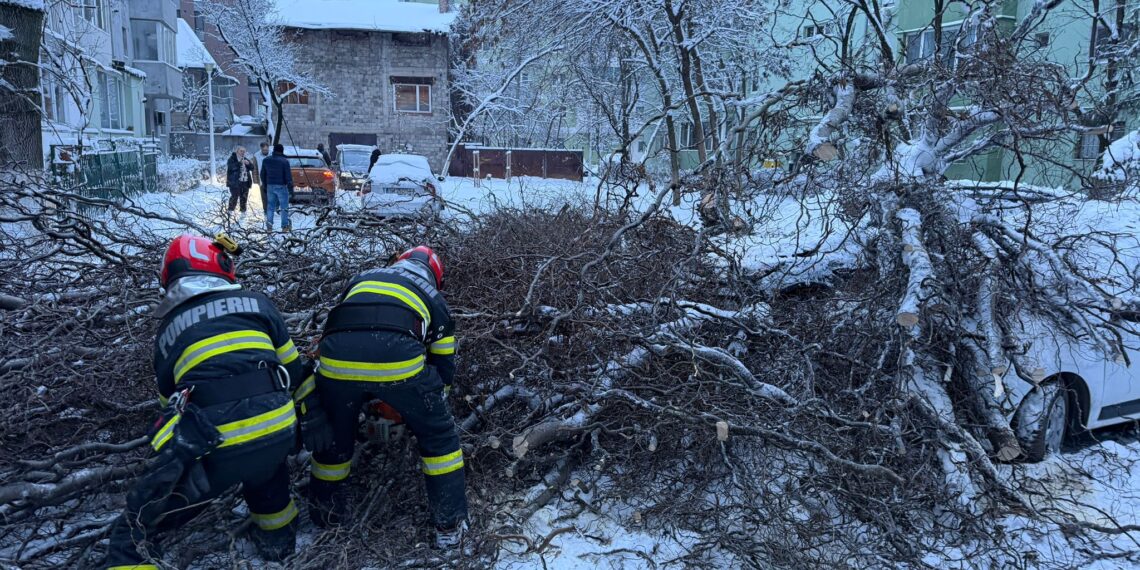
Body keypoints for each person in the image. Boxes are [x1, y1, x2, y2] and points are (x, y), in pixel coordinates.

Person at [102, 234, 331, 569]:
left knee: (135, 527)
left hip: (214, 443)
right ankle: (278, 544)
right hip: (279, 428)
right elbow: (294, 370)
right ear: (222, 267)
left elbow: (170, 407)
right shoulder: (258, 303)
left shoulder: (168, 330)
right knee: (265, 470)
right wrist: (314, 416)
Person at [306, 246, 467, 549]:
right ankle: (450, 525)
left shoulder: (362, 277)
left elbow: (346, 322)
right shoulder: (433, 297)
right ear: (436, 276)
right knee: (440, 439)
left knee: (334, 439)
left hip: (334, 359)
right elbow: (444, 365)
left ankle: (325, 520)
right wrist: (428, 405)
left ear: (399, 261)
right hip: (398, 359)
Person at [259, 143, 294, 232]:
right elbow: (288, 176)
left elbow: (262, 174)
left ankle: (269, 226)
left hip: (270, 186)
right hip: (281, 186)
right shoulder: (284, 161)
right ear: (282, 151)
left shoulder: (266, 160)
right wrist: (291, 189)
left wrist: (265, 185)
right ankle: (284, 226)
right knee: (284, 207)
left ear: (274, 150)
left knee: (270, 207)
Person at [225, 146, 255, 216]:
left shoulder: (245, 159)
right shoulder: (232, 159)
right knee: (234, 196)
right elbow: (231, 167)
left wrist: (249, 164)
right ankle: (230, 210)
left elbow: (252, 168)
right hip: (234, 182)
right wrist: (239, 163)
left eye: (244, 151)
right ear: (237, 151)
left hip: (245, 181)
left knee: (244, 197)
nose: (243, 153)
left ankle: (243, 211)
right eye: (241, 151)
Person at [253, 142, 271, 214]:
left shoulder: (272, 154)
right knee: (264, 196)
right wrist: (256, 180)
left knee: (272, 195)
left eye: (266, 150)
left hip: (271, 179)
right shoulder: (256, 155)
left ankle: (272, 209)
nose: (265, 151)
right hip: (262, 179)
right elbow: (255, 168)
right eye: (264, 150)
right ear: (261, 149)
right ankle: (265, 210)